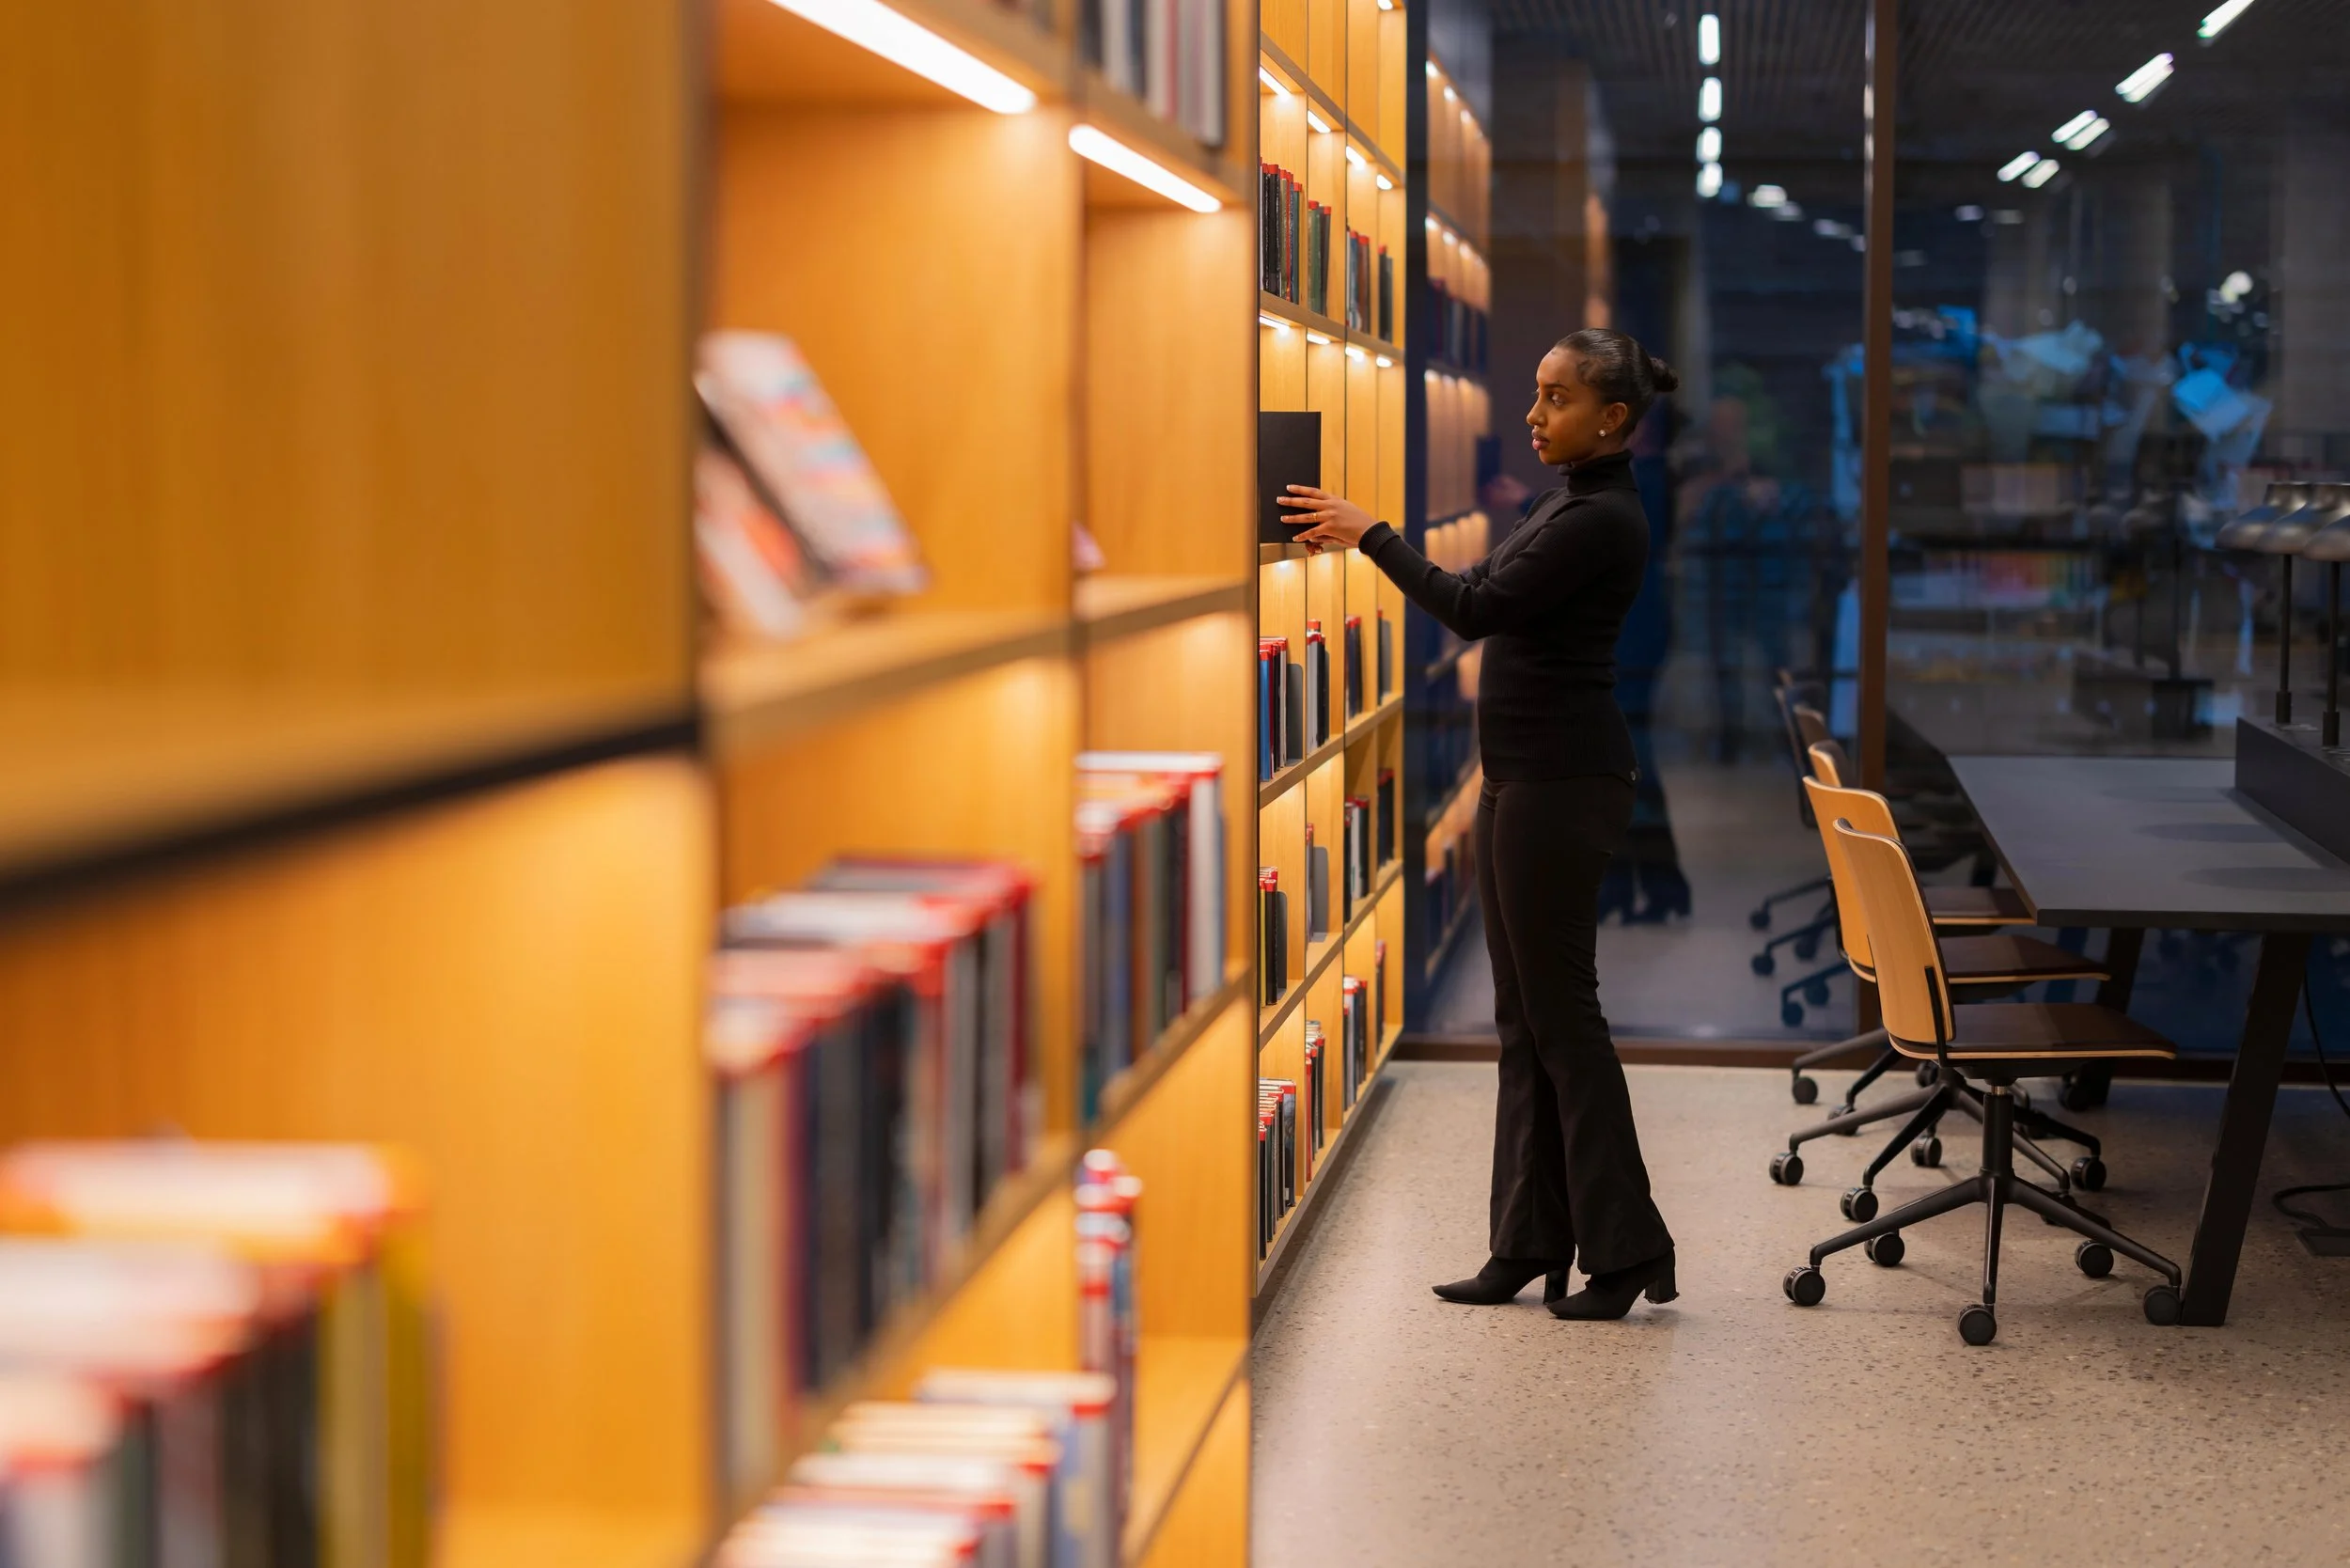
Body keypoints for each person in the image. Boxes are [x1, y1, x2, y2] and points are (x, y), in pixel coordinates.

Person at [1279, 328, 1680, 1321]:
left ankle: (1629, 1252)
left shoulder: (1602, 518)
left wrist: (1371, 535)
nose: (1534, 416)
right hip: (1521, 780)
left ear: (1611, 417)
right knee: (1524, 1024)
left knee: (1562, 1024)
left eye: (1556, 399)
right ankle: (1526, 1243)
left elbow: (1477, 606)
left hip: (1561, 783)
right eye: (1537, 395)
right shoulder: (1567, 499)